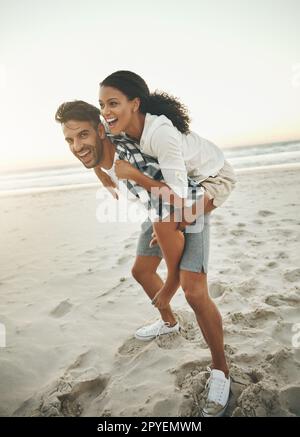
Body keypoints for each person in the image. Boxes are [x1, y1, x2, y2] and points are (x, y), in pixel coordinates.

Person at [99, 71, 237, 416]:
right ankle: (169, 321)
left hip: (209, 180)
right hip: (172, 194)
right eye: (102, 105)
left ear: (135, 103)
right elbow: (93, 146)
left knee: (194, 289)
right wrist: (104, 172)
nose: (106, 111)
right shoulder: (125, 133)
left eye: (113, 103)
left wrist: (134, 177)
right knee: (142, 270)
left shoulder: (160, 132)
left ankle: (221, 370)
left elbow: (177, 197)